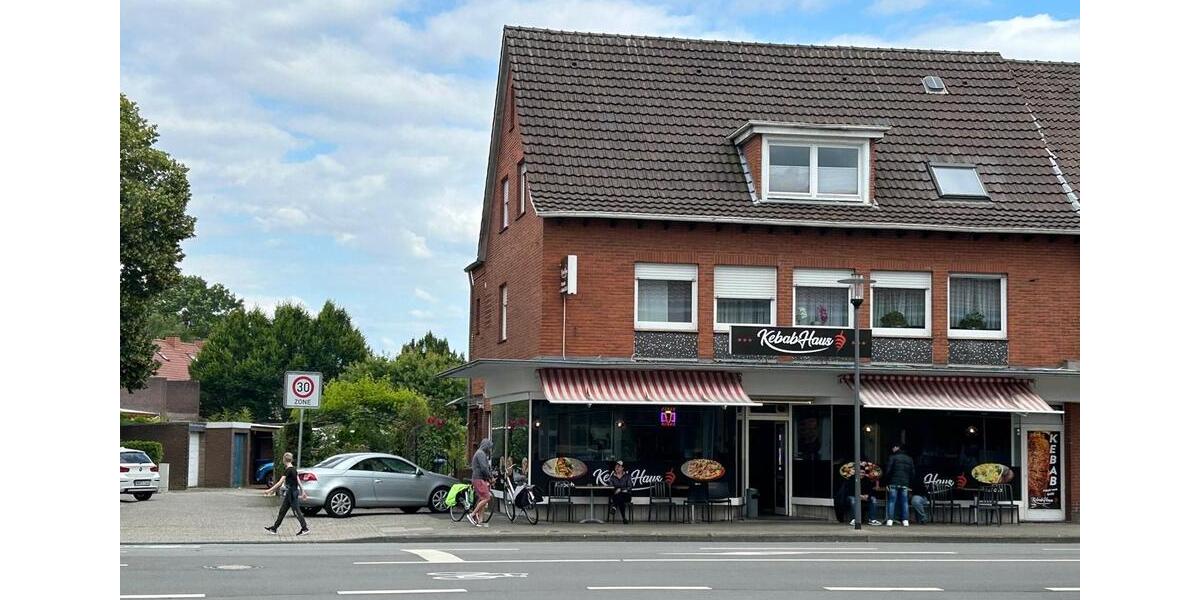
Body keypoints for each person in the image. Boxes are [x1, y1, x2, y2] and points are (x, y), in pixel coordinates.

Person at [263, 452, 310, 536]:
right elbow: (298, 481)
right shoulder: (294, 469)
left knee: (296, 511)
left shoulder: (288, 470)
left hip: (291, 493)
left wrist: (270, 490)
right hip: (292, 492)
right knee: (282, 511)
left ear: (284, 460)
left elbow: (280, 483)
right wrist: (303, 491)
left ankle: (304, 528)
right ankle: (274, 528)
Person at [883, 443, 916, 527]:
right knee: (904, 502)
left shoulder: (892, 457)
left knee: (892, 501)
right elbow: (912, 472)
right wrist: (909, 482)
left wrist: (887, 481)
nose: (892, 449)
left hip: (894, 482)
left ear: (897, 448)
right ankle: (905, 521)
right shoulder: (909, 459)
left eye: (893, 447)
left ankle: (890, 520)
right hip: (905, 483)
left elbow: (888, 470)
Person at [468, 438, 494, 527]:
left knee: (483, 499)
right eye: (489, 447)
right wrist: (490, 477)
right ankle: (472, 515)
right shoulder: (481, 454)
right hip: (479, 479)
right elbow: (484, 468)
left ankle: (480, 521)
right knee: (487, 497)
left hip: (478, 478)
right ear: (486, 446)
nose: (489, 449)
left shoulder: (479, 453)